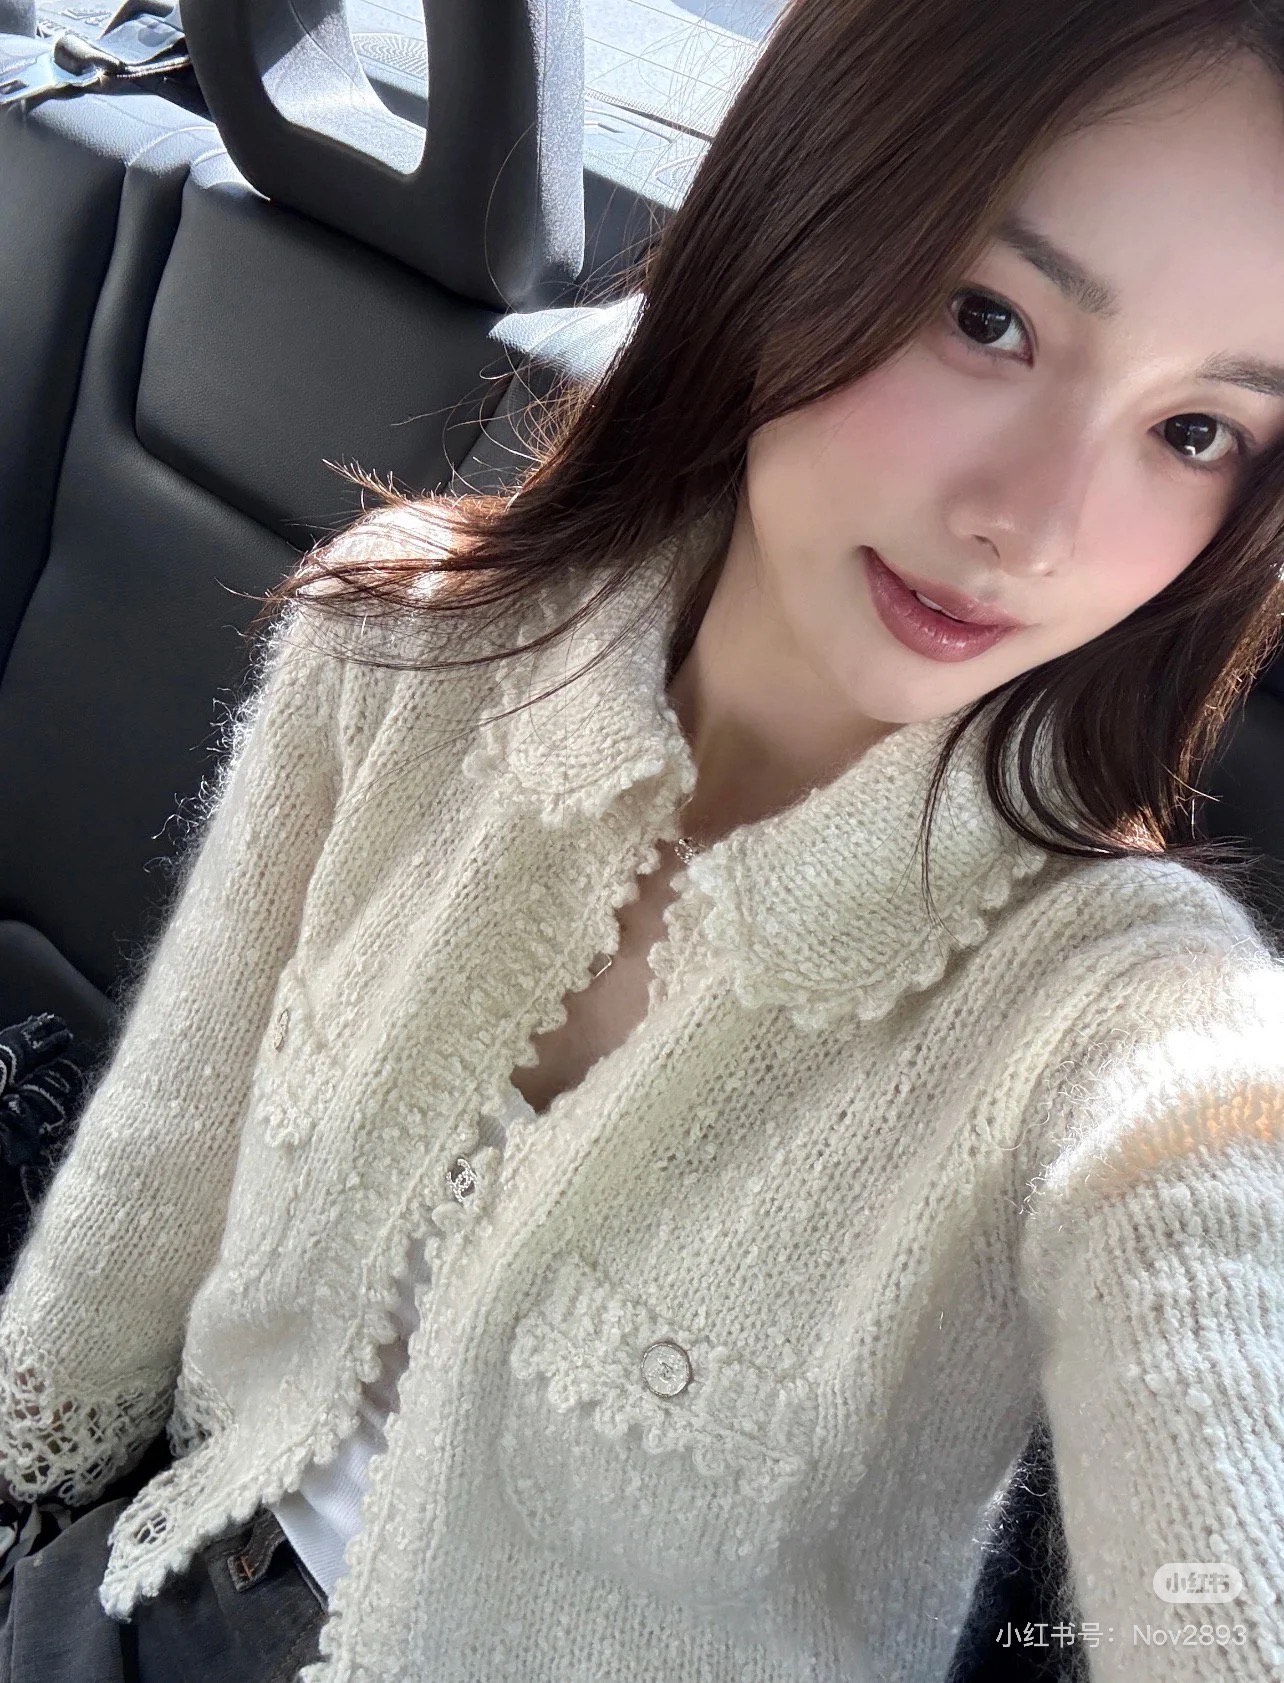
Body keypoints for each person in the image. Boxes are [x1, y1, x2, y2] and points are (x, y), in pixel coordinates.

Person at [1, 0, 1283, 1679]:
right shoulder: (398, 646)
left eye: (1196, 432)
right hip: (155, 1586)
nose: (1033, 528)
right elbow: (169, 1140)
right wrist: (33, 1462)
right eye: (989, 319)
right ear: (792, 216)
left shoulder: (1126, 1009)